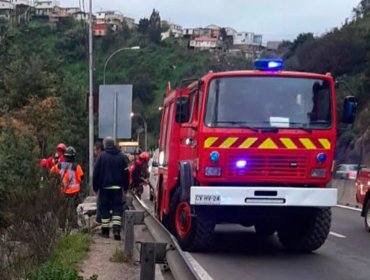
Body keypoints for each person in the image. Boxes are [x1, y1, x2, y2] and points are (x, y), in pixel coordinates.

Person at [93, 137, 129, 240]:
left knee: (104, 209)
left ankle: (105, 232)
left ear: (104, 145)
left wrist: (95, 188)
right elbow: (126, 173)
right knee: (117, 209)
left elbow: (96, 173)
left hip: (104, 188)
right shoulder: (121, 156)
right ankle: (116, 231)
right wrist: (125, 188)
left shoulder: (101, 157)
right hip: (117, 188)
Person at [94, 141, 104, 224]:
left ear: (99, 150)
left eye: (95, 150)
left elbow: (95, 175)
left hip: (103, 186)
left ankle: (99, 219)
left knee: (100, 204)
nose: (94, 152)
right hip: (113, 186)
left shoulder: (100, 159)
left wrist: (95, 188)